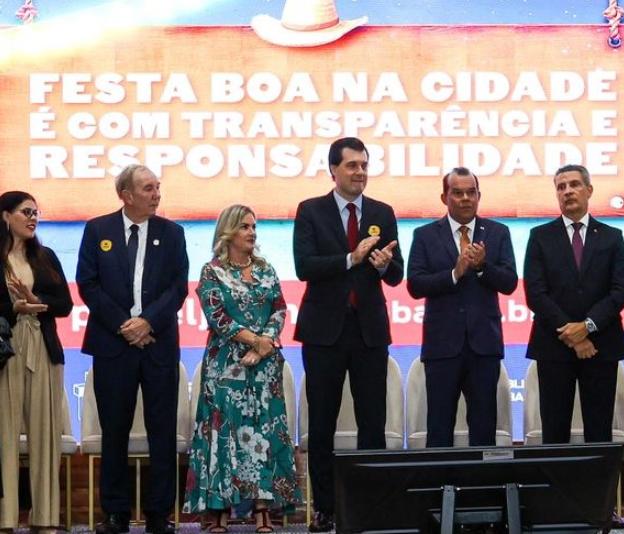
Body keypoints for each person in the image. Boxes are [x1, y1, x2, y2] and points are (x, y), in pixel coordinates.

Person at [292, 137, 403, 532]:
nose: (360, 172)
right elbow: (305, 266)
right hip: (324, 333)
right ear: (333, 170)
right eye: (352, 165)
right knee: (322, 424)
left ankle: (371, 505)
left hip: (369, 332)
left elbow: (397, 275)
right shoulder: (311, 211)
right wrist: (350, 259)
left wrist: (384, 264)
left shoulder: (382, 212)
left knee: (372, 422)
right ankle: (325, 508)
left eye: (364, 165)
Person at [76, 164, 189, 534]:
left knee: (162, 430)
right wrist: (125, 325)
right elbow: (88, 283)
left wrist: (147, 322)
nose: (157, 194)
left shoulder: (172, 233)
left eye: (157, 187)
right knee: (114, 430)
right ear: (125, 194)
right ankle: (116, 513)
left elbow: (178, 288)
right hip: (113, 344)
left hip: (158, 344)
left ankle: (159, 514)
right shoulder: (98, 230)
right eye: (148, 188)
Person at [183, 205, 300, 533]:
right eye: (245, 227)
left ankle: (262, 508)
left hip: (264, 368)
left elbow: (279, 309)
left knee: (263, 432)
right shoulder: (212, 271)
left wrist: (265, 344)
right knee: (225, 433)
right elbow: (217, 317)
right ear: (228, 232)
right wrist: (256, 342)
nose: (252, 233)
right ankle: (219, 508)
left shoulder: (265, 269)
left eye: (254, 227)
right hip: (225, 365)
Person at [407, 167, 517, 447]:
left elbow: (509, 283)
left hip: (484, 346)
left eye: (471, 192)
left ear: (479, 196)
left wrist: (482, 267)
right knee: (439, 427)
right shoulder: (425, 235)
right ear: (444, 197)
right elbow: (415, 285)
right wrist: (454, 274)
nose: (465, 198)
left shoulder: (498, 232)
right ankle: (441, 477)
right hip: (442, 347)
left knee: (484, 428)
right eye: (458, 193)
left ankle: (481, 478)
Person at [523, 163, 624, 443]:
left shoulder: (612, 237)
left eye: (574, 185)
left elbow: (619, 291)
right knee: (554, 433)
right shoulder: (540, 237)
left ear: (589, 190)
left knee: (599, 433)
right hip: (553, 346)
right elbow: (535, 293)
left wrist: (588, 326)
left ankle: (599, 477)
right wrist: (573, 334)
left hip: (601, 345)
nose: (568, 191)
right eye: (561, 187)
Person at [0, 192, 73, 533]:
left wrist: (36, 299)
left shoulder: (46, 257)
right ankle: (5, 517)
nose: (33, 218)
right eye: (25, 212)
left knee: (46, 436)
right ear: (5, 216)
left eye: (36, 213)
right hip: (6, 351)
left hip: (43, 349)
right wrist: (13, 308)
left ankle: (45, 517)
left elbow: (65, 305)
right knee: (4, 436)